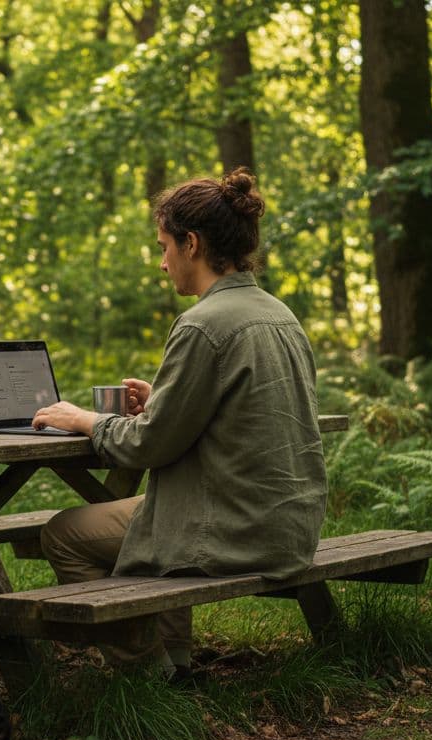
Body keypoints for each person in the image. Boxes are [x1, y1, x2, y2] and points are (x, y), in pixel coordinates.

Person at [31, 167, 327, 677]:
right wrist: (163, 401)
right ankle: (179, 664)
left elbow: (149, 447)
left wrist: (84, 420)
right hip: (290, 523)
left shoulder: (202, 324)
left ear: (191, 244)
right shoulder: (279, 314)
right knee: (155, 511)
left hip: (237, 527)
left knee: (63, 534)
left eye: (164, 246)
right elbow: (231, 412)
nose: (162, 264)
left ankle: (152, 675)